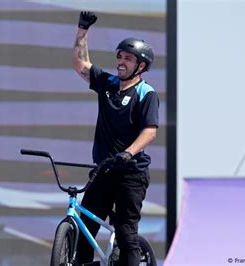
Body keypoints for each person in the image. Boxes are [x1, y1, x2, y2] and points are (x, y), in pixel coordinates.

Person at [72, 11, 159, 266]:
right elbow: (80, 65)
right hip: (104, 171)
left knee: (125, 233)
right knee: (85, 231)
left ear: (141, 66)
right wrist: (82, 31)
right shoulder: (108, 83)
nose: (121, 61)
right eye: (119, 56)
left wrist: (128, 153)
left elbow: (150, 131)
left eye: (128, 59)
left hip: (131, 173)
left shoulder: (146, 93)